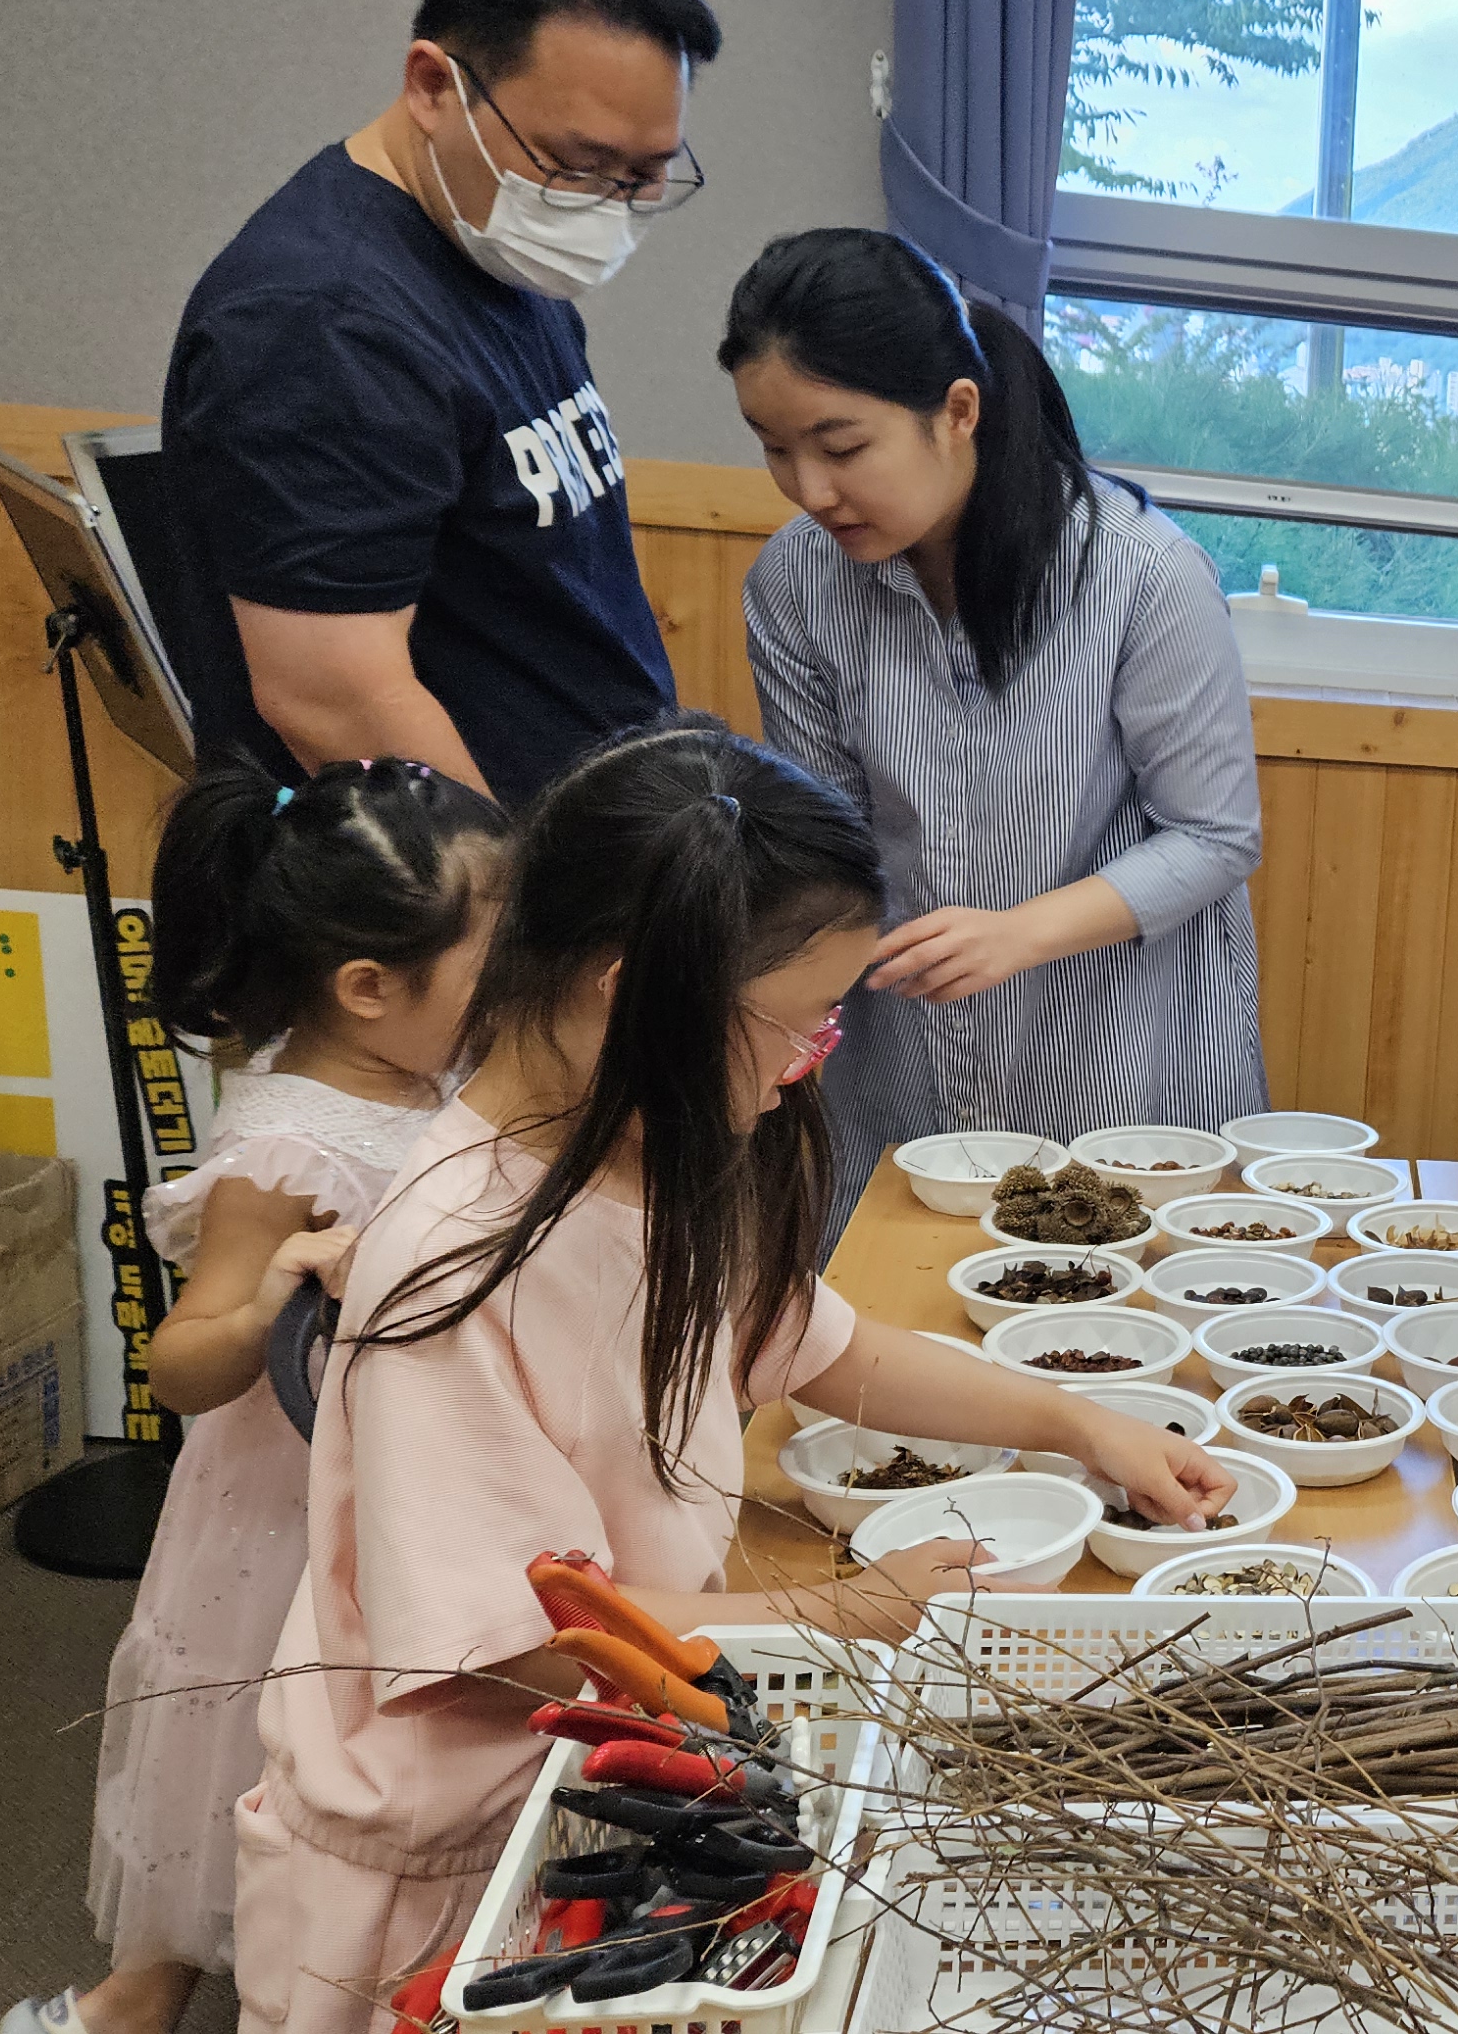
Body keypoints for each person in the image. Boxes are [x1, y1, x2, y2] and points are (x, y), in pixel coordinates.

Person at [229, 723, 1230, 2034]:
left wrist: (1078, 1423)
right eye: (798, 1027)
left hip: (625, 1751)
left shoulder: (654, 1153)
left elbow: (833, 1351)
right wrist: (845, 1612)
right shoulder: (453, 1262)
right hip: (456, 1843)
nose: (810, 1062)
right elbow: (525, 1637)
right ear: (632, 991)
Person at [6, 757, 506, 2034]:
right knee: (248, 1741)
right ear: (368, 986)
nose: (517, 983)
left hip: (385, 1481)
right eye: (492, 961)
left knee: (350, 1746)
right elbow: (179, 1359)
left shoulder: (423, 1071)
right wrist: (274, 1287)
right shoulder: (288, 1145)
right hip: (277, 1518)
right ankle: (130, 2001)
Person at [725, 231, 1267, 1224]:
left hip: (1121, 1053)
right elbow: (823, 834)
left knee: (1107, 1283)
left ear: (958, 412)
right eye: (774, 448)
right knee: (897, 1289)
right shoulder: (797, 582)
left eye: (842, 448)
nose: (811, 489)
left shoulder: (1142, 573)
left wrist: (1017, 934)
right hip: (900, 1059)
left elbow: (1214, 836)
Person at [168, 0, 719, 802]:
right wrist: (521, 891)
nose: (609, 206)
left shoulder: (495, 249)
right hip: (452, 880)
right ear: (434, 86)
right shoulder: (322, 321)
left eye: (647, 173)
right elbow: (336, 702)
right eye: (577, 165)